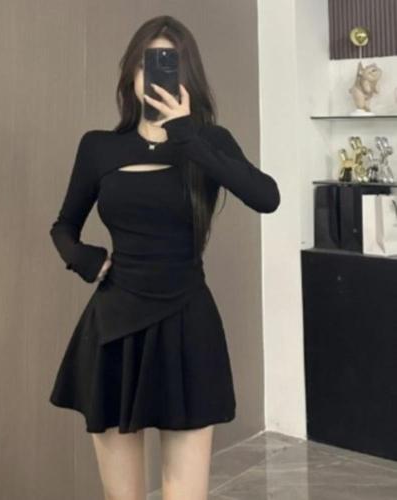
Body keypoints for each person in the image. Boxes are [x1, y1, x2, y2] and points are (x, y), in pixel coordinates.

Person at [48, 15, 280, 500]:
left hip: (187, 321)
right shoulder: (99, 147)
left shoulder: (209, 142)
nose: (154, 74)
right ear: (131, 74)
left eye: (169, 63)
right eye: (147, 62)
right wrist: (85, 260)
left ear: (187, 74)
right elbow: (64, 227)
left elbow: (266, 197)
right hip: (114, 326)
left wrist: (187, 134)